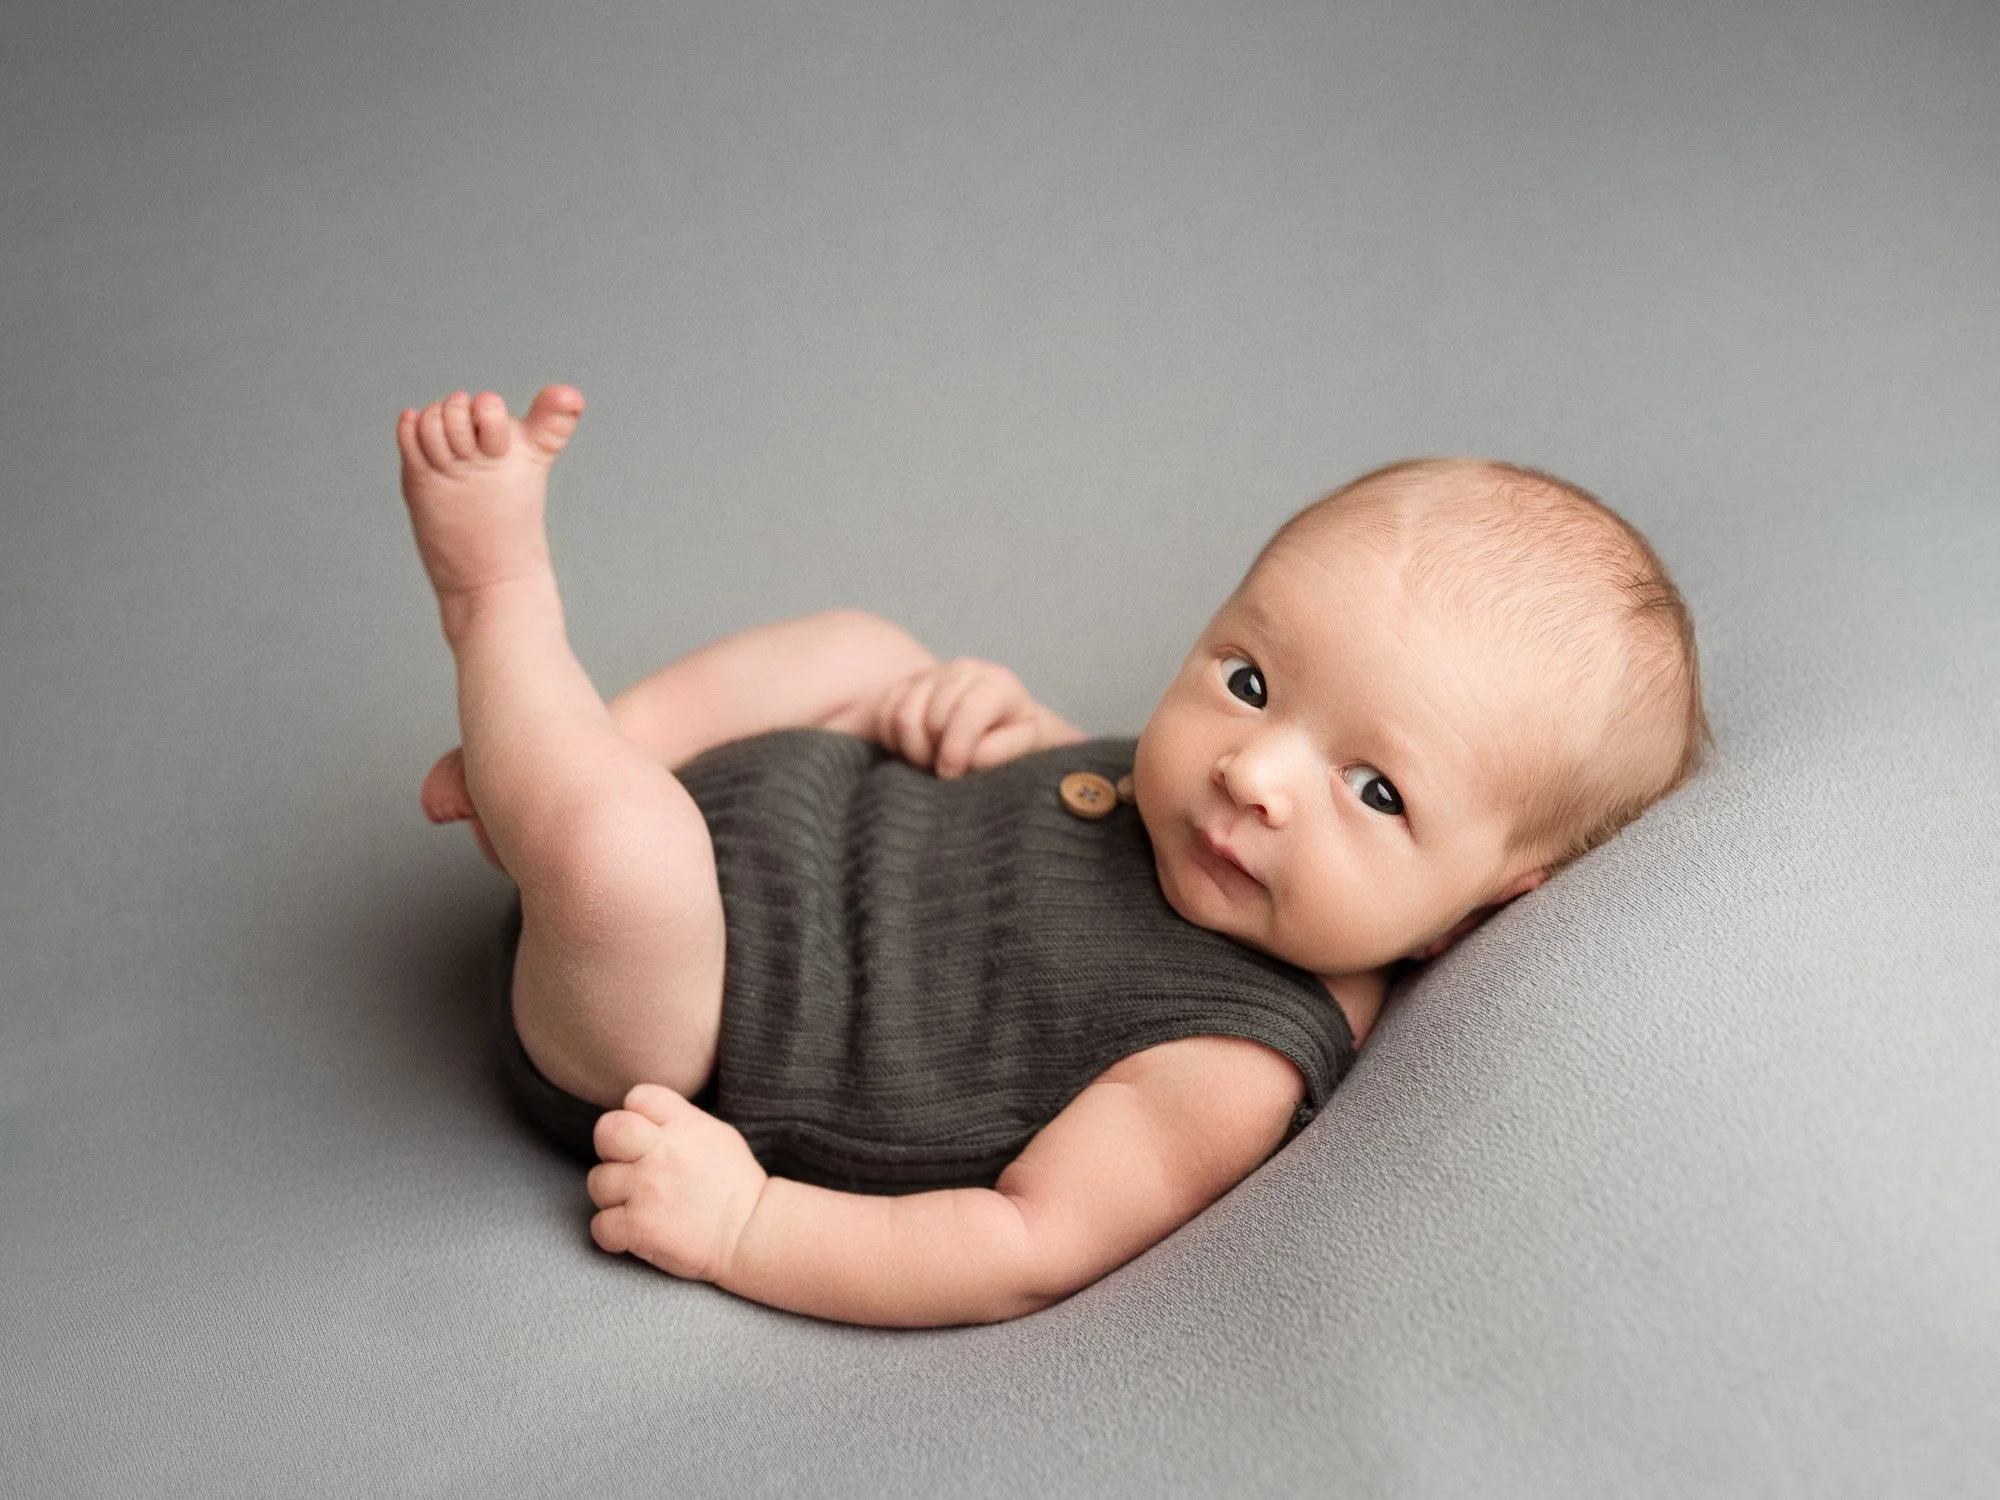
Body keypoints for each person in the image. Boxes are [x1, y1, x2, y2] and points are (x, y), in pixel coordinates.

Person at [396, 384, 1710, 1328]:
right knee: (867, 644)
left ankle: (504, 621)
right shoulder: (1211, 808)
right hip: (796, 826)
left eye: (1375, 789)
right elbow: (1057, 811)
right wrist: (1004, 725)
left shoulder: (1228, 1058)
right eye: (1248, 680)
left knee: (627, 859)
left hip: (674, 1027)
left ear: (1480, 906)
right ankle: (569, 756)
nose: (1251, 773)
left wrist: (743, 1226)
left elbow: (1019, 1244)